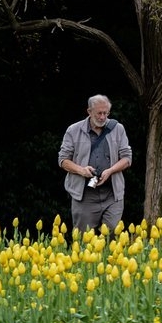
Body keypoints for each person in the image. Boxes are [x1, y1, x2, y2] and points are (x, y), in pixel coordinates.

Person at [58, 94, 132, 233]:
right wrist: (81, 170)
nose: (103, 117)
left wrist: (110, 171)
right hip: (85, 195)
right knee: (83, 239)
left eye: (106, 113)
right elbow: (63, 160)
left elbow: (127, 158)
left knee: (113, 238)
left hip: (112, 193)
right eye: (99, 113)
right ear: (89, 111)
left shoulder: (117, 128)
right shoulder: (73, 130)